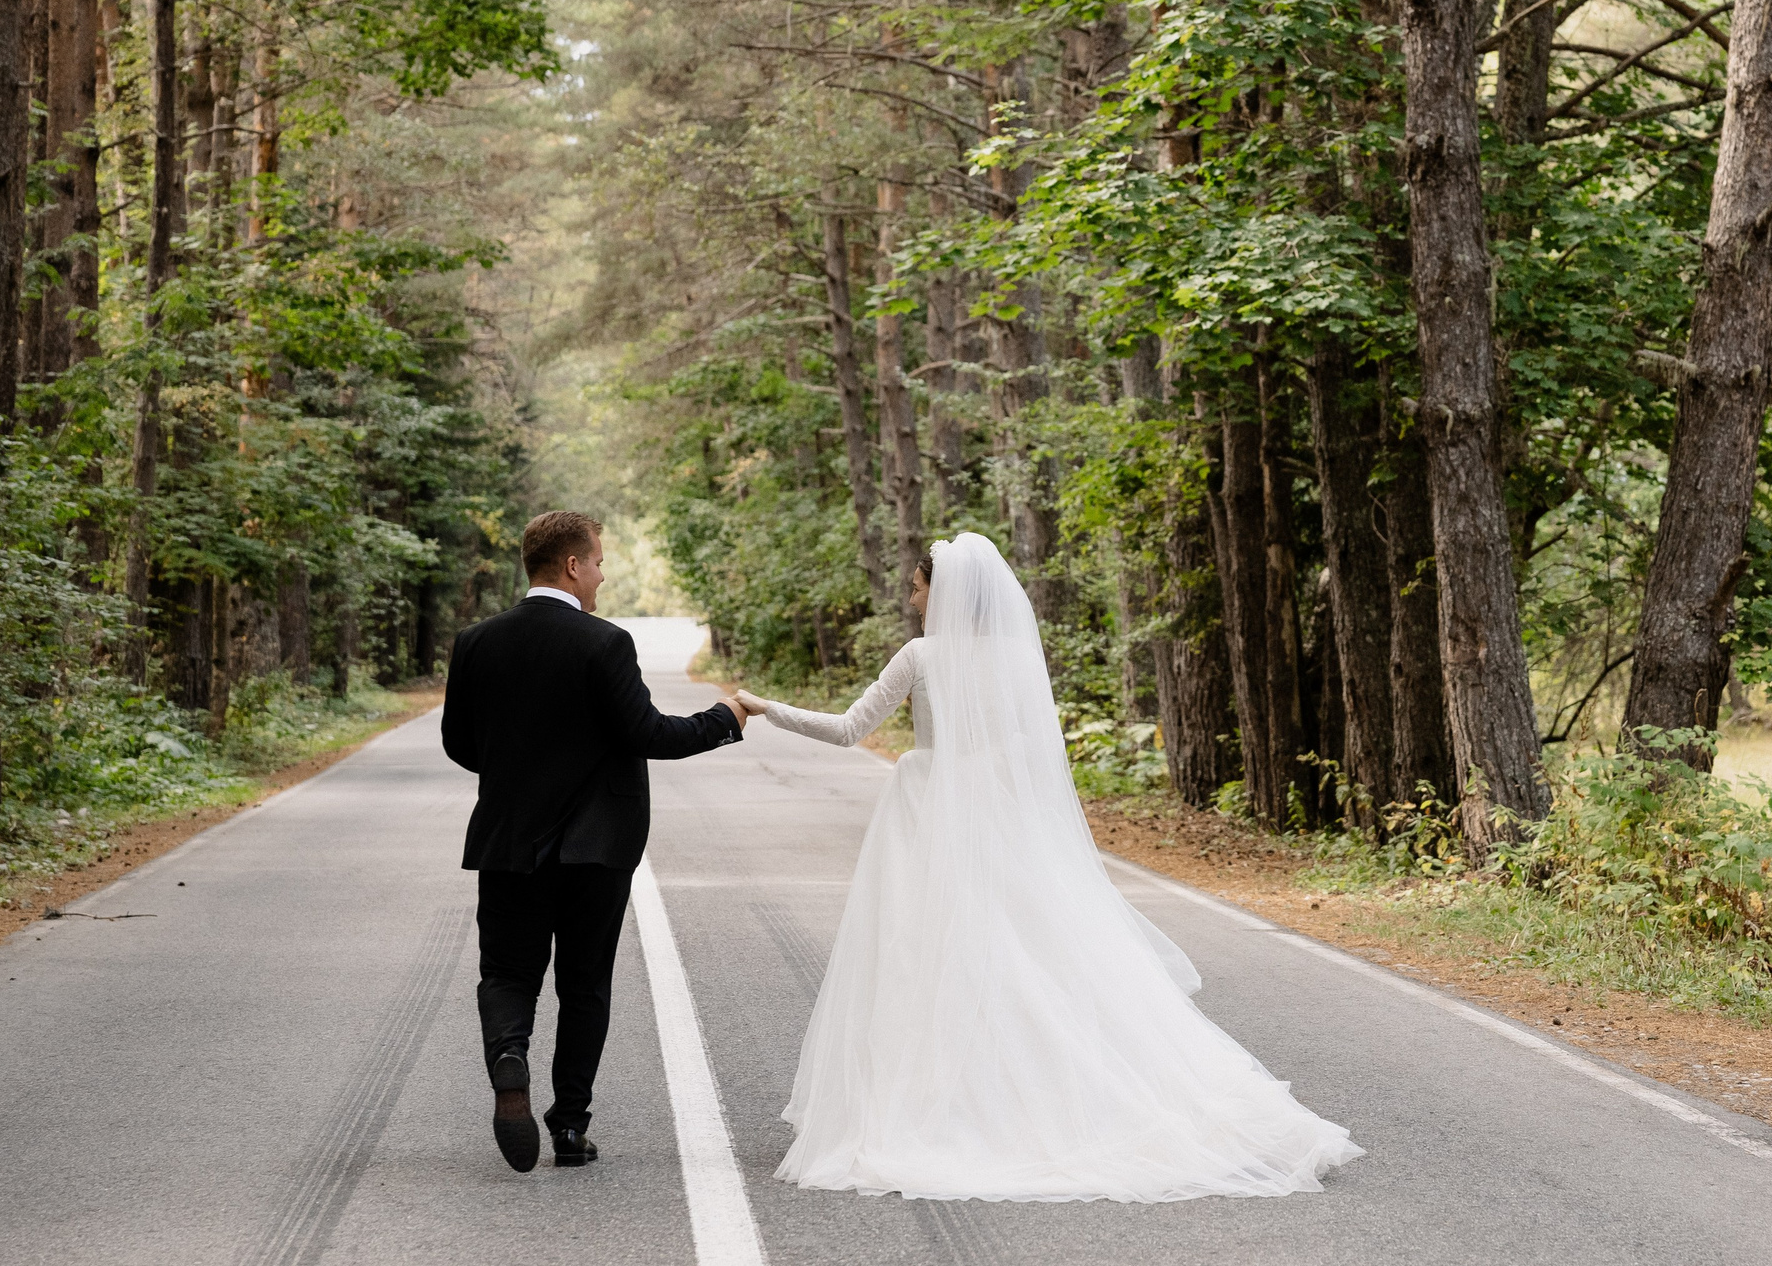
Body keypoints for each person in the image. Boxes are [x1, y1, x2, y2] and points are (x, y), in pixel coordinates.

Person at [737, 531, 1362, 1202]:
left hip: (927, 817)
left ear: (943, 592)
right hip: (1000, 820)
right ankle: (1022, 1100)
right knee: (1018, 958)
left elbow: (847, 729)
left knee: (925, 959)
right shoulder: (1014, 658)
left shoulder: (922, 656)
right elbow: (1027, 748)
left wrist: (764, 707)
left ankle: (948, 1108)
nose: (912, 601)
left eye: (917, 589)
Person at [442, 509, 749, 1173]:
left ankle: (509, 1054)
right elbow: (650, 735)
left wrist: (516, 776)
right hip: (595, 848)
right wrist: (723, 717)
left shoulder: (475, 642)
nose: (603, 577)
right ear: (573, 564)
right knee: (584, 985)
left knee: (507, 972)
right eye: (600, 563)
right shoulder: (604, 642)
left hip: (508, 841)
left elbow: (459, 744)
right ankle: (569, 1127)